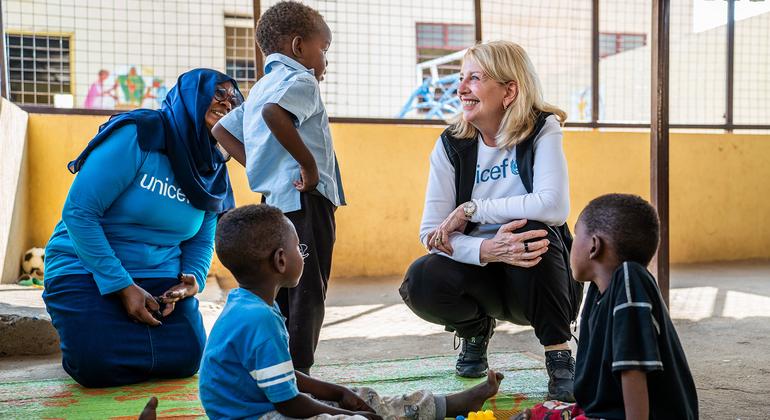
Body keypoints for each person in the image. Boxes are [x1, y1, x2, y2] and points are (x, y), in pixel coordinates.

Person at [398, 41, 582, 402]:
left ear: (509, 90)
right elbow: (430, 234)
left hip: (541, 279)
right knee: (421, 278)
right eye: (461, 78)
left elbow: (553, 205)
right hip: (483, 273)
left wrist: (471, 210)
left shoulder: (541, 129)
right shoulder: (452, 145)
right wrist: (486, 249)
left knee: (531, 231)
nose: (461, 88)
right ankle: (475, 329)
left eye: (475, 78)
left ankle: (559, 355)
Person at [199, 204, 503, 420]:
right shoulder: (259, 319)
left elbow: (282, 376)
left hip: (267, 403)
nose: (303, 255)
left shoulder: (247, 304)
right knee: (351, 418)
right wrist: (341, 411)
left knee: (363, 397)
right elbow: (290, 403)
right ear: (281, 261)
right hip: (260, 415)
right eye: (299, 249)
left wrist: (339, 392)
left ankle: (445, 405)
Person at [42, 68, 244, 388]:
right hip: (85, 267)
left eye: (234, 98)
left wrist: (191, 280)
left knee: (187, 359)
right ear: (192, 96)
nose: (228, 103)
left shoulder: (213, 165)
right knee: (95, 366)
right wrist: (122, 286)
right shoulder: (140, 134)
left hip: (158, 274)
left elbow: (203, 236)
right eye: (218, 93)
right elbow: (79, 213)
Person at [212, 0, 345, 375]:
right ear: (299, 46)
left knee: (279, 288)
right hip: (305, 203)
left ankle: (276, 366)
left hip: (272, 206)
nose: (325, 61)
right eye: (324, 49)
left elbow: (221, 129)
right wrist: (309, 166)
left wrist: (256, 164)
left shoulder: (260, 88)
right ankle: (299, 373)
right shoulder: (301, 80)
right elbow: (276, 114)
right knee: (307, 290)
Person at [514, 194, 698, 419]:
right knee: (536, 414)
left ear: (594, 246)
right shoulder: (597, 293)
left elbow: (633, 369)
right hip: (602, 412)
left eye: (576, 234)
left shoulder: (631, 280)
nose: (571, 246)